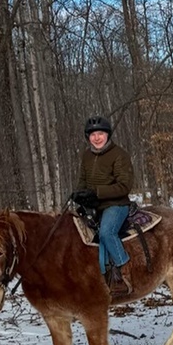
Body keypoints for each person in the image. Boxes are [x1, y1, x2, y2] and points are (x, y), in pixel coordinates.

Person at [70, 116, 134, 297]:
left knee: (106, 233)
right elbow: (82, 180)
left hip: (116, 204)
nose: (97, 138)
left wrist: (96, 193)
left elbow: (124, 186)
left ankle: (123, 271)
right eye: (93, 135)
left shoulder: (119, 155)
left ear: (107, 135)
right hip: (93, 205)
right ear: (88, 137)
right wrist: (79, 194)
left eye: (100, 134)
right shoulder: (86, 155)